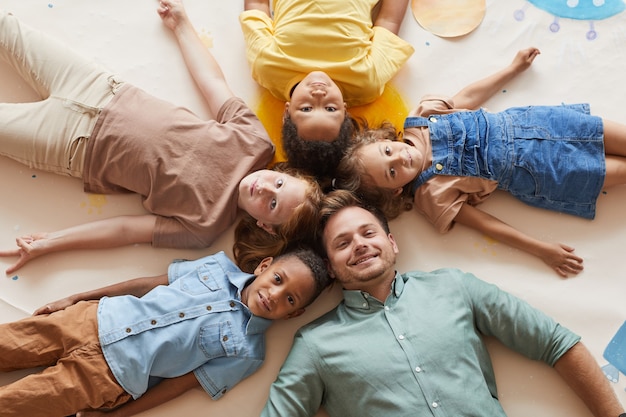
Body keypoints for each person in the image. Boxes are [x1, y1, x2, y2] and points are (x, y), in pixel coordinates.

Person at [0, 0, 323, 275]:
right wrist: (182, 25)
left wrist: (49, 243)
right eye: (278, 184)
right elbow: (211, 82)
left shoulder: (204, 227)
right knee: (7, 28)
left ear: (265, 225)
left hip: (72, 147)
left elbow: (125, 230)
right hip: (100, 88)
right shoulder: (255, 141)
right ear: (285, 173)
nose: (265, 187)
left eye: (272, 203)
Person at [261, 190, 625, 417]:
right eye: (342, 243)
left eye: (368, 233)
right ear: (330, 268)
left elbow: (555, 342)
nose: (359, 244)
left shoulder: (454, 286)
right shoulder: (315, 345)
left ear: (392, 242)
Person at [334, 46, 626, 277]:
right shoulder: (431, 195)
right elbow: (487, 225)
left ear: (382, 140)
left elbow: (469, 97)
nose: (399, 157)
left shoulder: (422, 118)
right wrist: (542, 250)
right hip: (542, 171)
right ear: (395, 191)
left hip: (540, 123)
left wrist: (513, 69)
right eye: (392, 172)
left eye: (388, 152)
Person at [0, 247, 331, 417]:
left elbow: (180, 385)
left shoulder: (248, 352)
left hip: (110, 377)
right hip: (91, 319)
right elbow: (147, 284)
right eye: (277, 279)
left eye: (289, 298)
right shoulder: (215, 266)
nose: (275, 294)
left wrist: (120, 416)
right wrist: (76, 297)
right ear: (264, 266)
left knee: (13, 406)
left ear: (296, 313)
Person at [240, 0, 415, 180]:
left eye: (306, 108)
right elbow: (388, 20)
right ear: (345, 111)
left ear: (286, 113)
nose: (318, 95)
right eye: (330, 108)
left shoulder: (268, 68)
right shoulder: (366, 82)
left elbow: (258, 5)